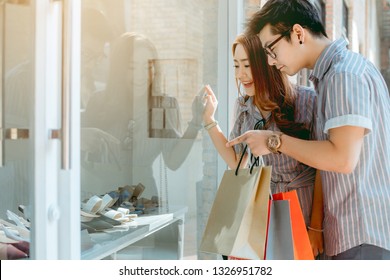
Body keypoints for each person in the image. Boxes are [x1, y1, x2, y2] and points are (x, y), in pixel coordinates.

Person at [227, 0, 390, 260]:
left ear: (298, 34)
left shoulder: (343, 75)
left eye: (271, 49)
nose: (269, 61)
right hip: (357, 235)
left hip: (359, 235)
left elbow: (342, 159)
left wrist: (274, 141)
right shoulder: (341, 73)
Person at [202, 33, 324, 258]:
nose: (240, 74)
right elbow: (237, 162)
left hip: (302, 208)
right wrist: (210, 121)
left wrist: (316, 226)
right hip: (264, 211)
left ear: (266, 63)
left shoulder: (306, 101)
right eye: (236, 65)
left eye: (247, 65)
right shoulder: (245, 107)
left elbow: (322, 170)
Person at [81, 32, 204, 205]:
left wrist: (196, 122)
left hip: (143, 203)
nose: (141, 75)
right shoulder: (99, 102)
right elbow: (77, 157)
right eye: (132, 67)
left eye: (148, 67)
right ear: (119, 69)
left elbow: (173, 162)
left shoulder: (160, 107)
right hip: (98, 202)